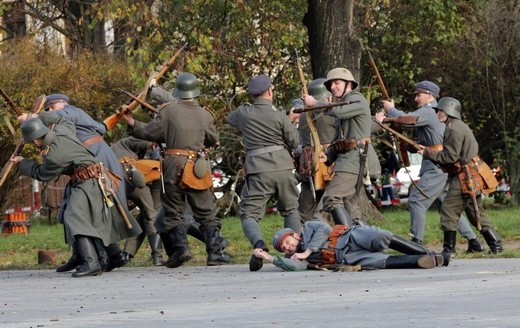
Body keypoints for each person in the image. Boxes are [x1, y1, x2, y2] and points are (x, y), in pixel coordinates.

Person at [18, 94, 138, 272]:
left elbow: (44, 172)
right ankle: (87, 256)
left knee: (81, 214)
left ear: (57, 105)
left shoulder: (69, 112)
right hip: (82, 171)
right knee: (71, 209)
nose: (48, 112)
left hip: (92, 167)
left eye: (49, 108)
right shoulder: (62, 129)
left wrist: (32, 118)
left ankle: (96, 260)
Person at [122, 72, 230, 267]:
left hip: (173, 163)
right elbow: (213, 139)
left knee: (173, 210)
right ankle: (214, 253)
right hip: (197, 164)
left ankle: (181, 250)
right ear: (195, 91)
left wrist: (131, 122)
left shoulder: (168, 111)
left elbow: (149, 133)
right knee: (205, 210)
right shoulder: (206, 115)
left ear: (178, 91)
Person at [378, 81, 484, 253]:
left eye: (418, 94)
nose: (416, 98)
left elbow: (408, 120)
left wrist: (390, 110)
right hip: (438, 165)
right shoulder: (432, 112)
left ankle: (417, 243)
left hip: (437, 165)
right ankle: (474, 241)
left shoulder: (429, 111)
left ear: (430, 95)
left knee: (416, 200)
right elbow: (423, 141)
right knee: (447, 206)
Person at [227, 73, 302, 271]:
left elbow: (230, 119)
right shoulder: (279, 116)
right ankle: (293, 251)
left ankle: (259, 244)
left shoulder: (244, 113)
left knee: (249, 214)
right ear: (270, 91)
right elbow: (295, 142)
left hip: (258, 170)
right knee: (291, 209)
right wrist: (289, 119)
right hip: (284, 168)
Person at [419, 97, 503, 254]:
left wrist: (427, 153)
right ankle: (496, 245)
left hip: (466, 176)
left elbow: (449, 157)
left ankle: (449, 250)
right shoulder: (457, 126)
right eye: (437, 110)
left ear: (450, 111)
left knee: (448, 209)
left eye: (441, 110)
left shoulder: (453, 129)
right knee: (474, 212)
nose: (438, 113)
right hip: (470, 174)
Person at [303, 68, 370, 227]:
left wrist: (315, 104)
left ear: (349, 84)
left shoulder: (357, 99)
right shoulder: (343, 104)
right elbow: (339, 137)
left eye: (337, 82)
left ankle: (349, 238)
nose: (333, 87)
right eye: (331, 84)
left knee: (331, 198)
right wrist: (328, 155)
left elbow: (339, 112)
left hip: (353, 160)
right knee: (351, 210)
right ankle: (373, 243)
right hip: (346, 160)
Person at [253, 220, 448, 271]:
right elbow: (295, 267)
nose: (287, 248)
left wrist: (307, 251)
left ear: (294, 235)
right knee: (382, 262)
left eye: (287, 242)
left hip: (351, 237)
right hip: (347, 258)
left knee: (382, 235)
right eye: (283, 248)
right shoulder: (294, 259)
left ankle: (430, 253)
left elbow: (325, 229)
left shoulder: (308, 228)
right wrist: (269, 258)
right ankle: (428, 260)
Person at [111, 137, 164, 266]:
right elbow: (146, 142)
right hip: (132, 177)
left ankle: (125, 254)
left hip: (116, 182)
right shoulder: (126, 142)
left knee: (147, 213)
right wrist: (152, 144)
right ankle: (158, 256)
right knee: (151, 215)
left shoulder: (112, 149)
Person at [296, 78, 336, 223]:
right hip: (327, 164)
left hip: (308, 164)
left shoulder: (302, 115)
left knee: (305, 210)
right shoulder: (329, 113)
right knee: (331, 204)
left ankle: (302, 236)